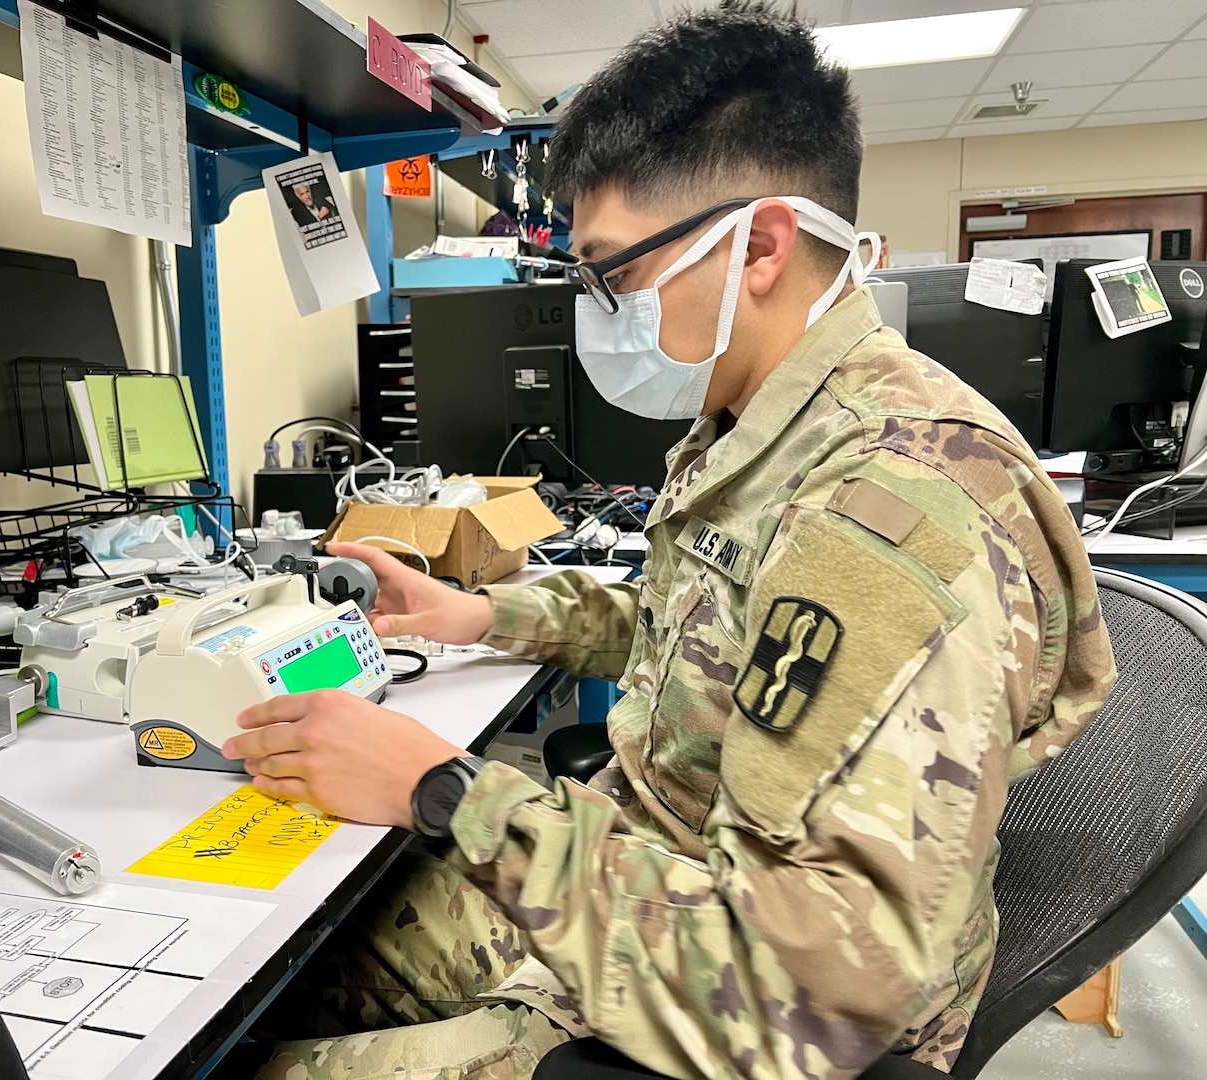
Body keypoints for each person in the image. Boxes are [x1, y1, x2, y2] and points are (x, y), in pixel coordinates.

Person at [236, 3, 1117, 1077]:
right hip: (644, 876)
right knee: (274, 977)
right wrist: (485, 614)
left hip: (738, 1005)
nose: (597, 306)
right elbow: (696, 628)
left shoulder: (885, 508)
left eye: (613, 271)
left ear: (763, 245)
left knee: (249, 1061)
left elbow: (815, 994)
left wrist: (444, 788)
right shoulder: (757, 422)